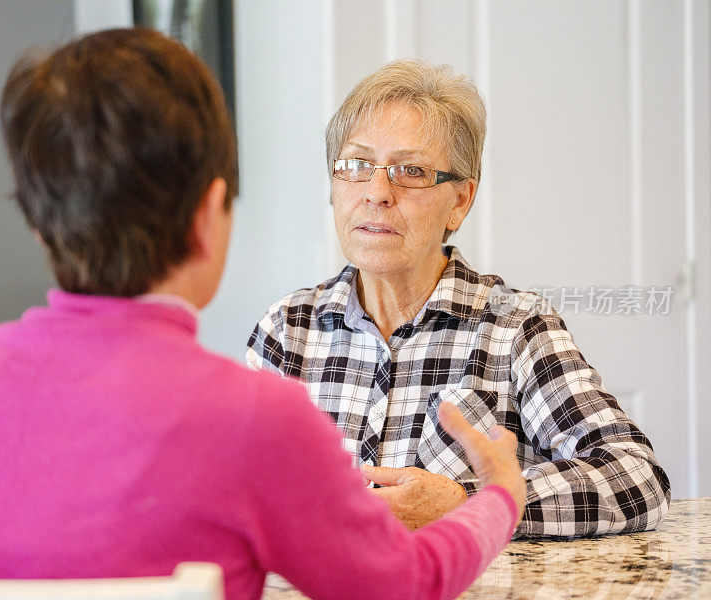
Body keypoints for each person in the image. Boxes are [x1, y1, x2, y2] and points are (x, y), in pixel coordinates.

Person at [0, 29, 527, 600]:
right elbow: (404, 584)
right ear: (210, 215)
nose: (377, 190)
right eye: (357, 166)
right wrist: (497, 495)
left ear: (42, 229)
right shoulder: (255, 414)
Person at [247, 59, 671, 538]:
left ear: (460, 201)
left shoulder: (514, 327)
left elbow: (635, 476)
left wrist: (468, 503)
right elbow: (231, 488)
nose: (377, 192)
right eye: (356, 165)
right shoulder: (287, 329)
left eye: (412, 171)